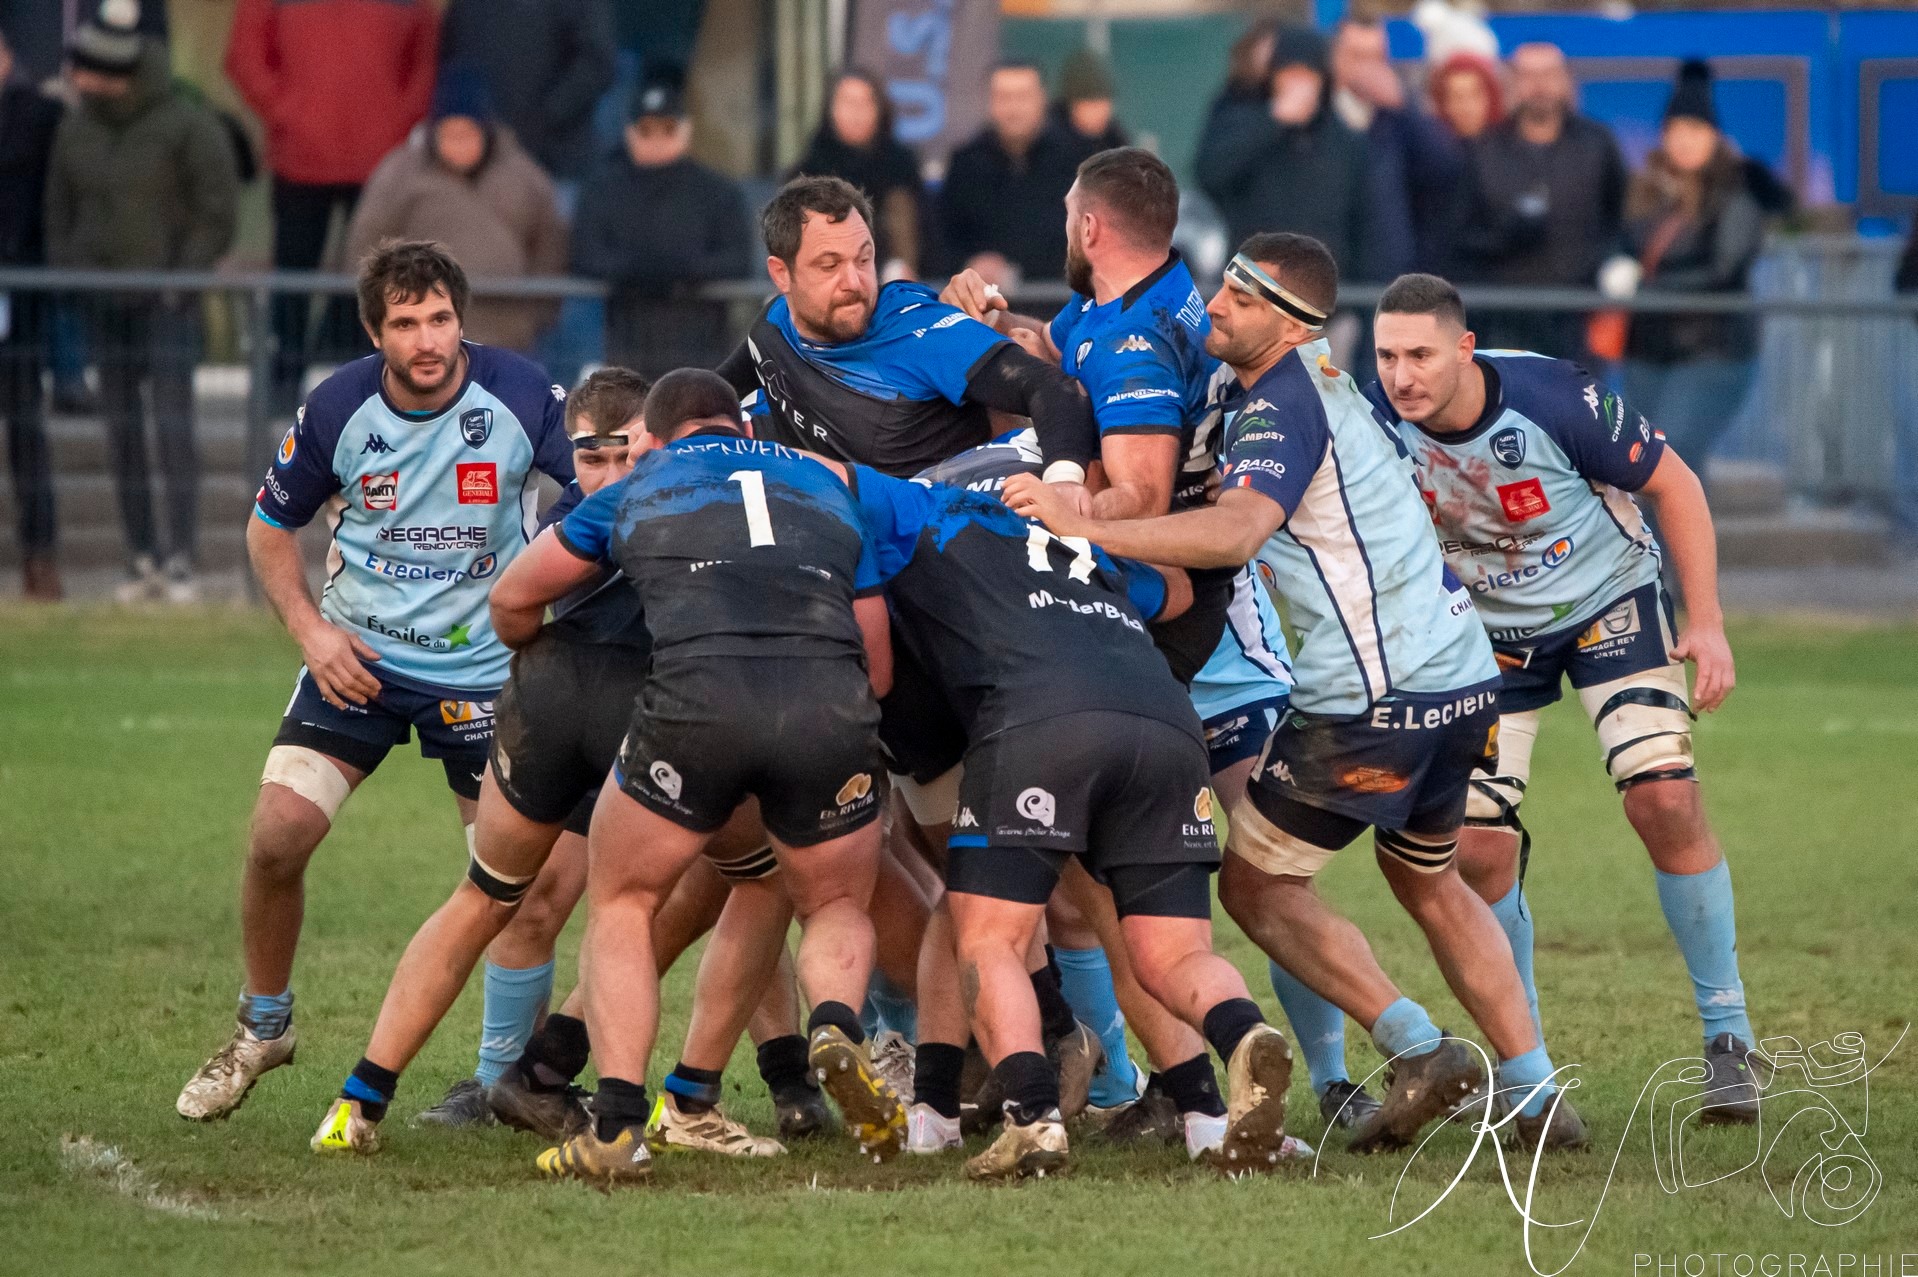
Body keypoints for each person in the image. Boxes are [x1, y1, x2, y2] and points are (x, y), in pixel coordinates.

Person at [1007, 233, 1584, 1155]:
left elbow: (1235, 532)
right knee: (1428, 880)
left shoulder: (1281, 403)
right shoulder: (1304, 378)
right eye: (1224, 285)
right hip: (1461, 677)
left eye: (1241, 295)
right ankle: (1537, 1091)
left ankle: (1419, 1048)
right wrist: (1024, 331)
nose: (1217, 303)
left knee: (1256, 885)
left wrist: (1086, 524)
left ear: (1291, 323)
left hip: (1377, 696)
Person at [941, 147, 1377, 1134]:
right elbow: (1068, 371)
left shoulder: (1135, 338)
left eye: (1067, 211)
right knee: (1124, 880)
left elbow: (1136, 493)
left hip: (1183, 621)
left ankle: (1311, 1077)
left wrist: (1055, 505)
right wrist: (997, 330)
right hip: (1160, 617)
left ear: (1090, 226)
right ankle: (1177, 1088)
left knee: (1234, 876)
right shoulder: (1125, 308)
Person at [174, 241, 575, 1124]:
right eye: (405, 323)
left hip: (485, 677)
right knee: (276, 837)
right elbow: (268, 528)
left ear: (461, 319)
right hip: (358, 664)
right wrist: (313, 634)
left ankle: (497, 1083)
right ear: (373, 331)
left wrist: (545, 583)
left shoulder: (520, 394)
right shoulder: (337, 407)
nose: (426, 339)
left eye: (440, 319)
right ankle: (263, 1027)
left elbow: (594, 495)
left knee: (521, 888)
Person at [487, 370, 901, 1185]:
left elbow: (512, 596)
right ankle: (833, 1024)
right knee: (833, 902)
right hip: (827, 708)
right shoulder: (826, 484)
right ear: (743, 430)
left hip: (696, 706)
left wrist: (537, 648)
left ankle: (616, 1125)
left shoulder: (639, 486)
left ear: (654, 438)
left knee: (623, 900)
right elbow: (878, 664)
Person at [1369, 271, 1761, 1121]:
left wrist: (1708, 622)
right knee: (1476, 848)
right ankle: (1528, 1074)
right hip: (1486, 636)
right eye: (1387, 356)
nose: (1402, 375)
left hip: (1607, 600)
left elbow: (1677, 485)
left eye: (1421, 355)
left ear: (1464, 349)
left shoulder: (1554, 396)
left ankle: (1729, 1038)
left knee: (1664, 799)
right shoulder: (1374, 421)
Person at [850, 468, 1302, 1181]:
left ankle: (1032, 1117)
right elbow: (1178, 594)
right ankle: (1237, 1051)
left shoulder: (927, 511)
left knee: (989, 935)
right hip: (1165, 721)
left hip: (1039, 720)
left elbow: (827, 477)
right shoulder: (1081, 545)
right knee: (1171, 954)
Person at [718, 175, 1098, 480]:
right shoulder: (773, 326)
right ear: (781, 274)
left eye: (863, 260)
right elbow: (711, 395)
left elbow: (1054, 389)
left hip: (943, 528)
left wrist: (1063, 488)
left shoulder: (918, 329)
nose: (854, 282)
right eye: (829, 266)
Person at [44, 10, 237, 604]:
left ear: (111, 73)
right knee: (122, 431)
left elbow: (216, 211)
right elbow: (60, 212)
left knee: (174, 427)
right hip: (107, 306)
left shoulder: (187, 123)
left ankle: (182, 556)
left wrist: (179, 280)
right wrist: (78, 273)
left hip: (169, 306)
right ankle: (140, 553)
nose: (74, 77)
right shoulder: (77, 129)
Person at [223, 0, 437, 415]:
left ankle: (365, 388)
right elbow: (245, 57)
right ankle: (284, 384)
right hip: (301, 160)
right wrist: (288, 112)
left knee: (377, 280)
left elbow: (425, 59)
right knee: (293, 280)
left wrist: (400, 120)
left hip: (379, 160)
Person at [1604, 61, 1766, 473]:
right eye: (1676, 130)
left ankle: (1688, 521)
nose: (1685, 141)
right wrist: (1616, 267)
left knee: (1673, 454)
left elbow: (1724, 271)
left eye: (1696, 130)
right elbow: (1623, 242)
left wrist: (1645, 289)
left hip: (1711, 349)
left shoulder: (1736, 194)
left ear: (1714, 136)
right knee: (1640, 458)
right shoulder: (1647, 192)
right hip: (1647, 348)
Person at [346, 64, 569, 355]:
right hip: (420, 341)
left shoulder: (526, 178)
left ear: (486, 132)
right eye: (450, 134)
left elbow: (549, 251)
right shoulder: (399, 176)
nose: (459, 145)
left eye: (468, 134)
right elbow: (366, 247)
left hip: (507, 339)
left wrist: (534, 318)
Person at [1453, 42, 1626, 359]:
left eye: (1549, 74)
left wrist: (1610, 267)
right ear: (1511, 82)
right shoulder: (1484, 150)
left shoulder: (1597, 144)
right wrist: (1505, 236)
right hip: (1505, 320)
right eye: (1528, 76)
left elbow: (1619, 218)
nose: (1539, 86)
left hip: (1578, 319)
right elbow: (1459, 235)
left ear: (1566, 81)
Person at [571, 78, 750, 377]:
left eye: (668, 129)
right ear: (629, 133)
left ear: (686, 130)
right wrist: (641, 271)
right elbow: (585, 256)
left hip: (702, 350)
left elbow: (738, 260)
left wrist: (682, 271)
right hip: (628, 348)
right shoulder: (601, 190)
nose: (656, 140)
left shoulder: (718, 192)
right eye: (645, 130)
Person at [1196, 26, 1370, 282]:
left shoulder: (1346, 143)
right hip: (1253, 280)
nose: (1298, 85)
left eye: (1307, 74)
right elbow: (1209, 173)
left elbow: (1368, 224)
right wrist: (1272, 121)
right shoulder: (1241, 119)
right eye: (1289, 73)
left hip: (1323, 287)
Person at [0, 26, 63, 599]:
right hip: (19, 293)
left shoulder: (38, 116)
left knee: (25, 432)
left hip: (18, 300)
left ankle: (40, 558)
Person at [1332, 19, 1463, 279]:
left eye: (1377, 57)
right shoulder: (1320, 116)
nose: (1368, 67)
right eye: (1357, 56)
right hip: (1332, 270)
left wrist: (1405, 107)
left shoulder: (1400, 118)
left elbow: (1446, 170)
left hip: (1391, 272)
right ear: (1335, 58)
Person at [436, 0, 615, 184]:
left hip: (555, 161)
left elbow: (597, 64)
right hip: (477, 164)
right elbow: (452, 60)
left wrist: (545, 116)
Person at [939, 62, 1083, 286]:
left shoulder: (1075, 160)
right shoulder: (965, 163)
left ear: (1042, 99)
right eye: (1003, 98)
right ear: (988, 102)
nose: (1013, 109)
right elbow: (943, 238)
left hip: (1059, 294)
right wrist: (969, 263)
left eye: (1023, 97)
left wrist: (1022, 270)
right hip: (979, 296)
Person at [791, 69, 925, 281]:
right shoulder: (808, 174)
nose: (856, 112)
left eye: (865, 103)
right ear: (830, 110)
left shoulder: (901, 170)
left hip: (892, 279)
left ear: (880, 109)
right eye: (847, 102)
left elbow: (923, 237)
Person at [1053, 47, 1128, 160]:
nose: (1100, 112)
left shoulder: (1114, 140)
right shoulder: (1049, 144)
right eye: (1091, 104)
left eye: (1104, 103)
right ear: (1071, 105)